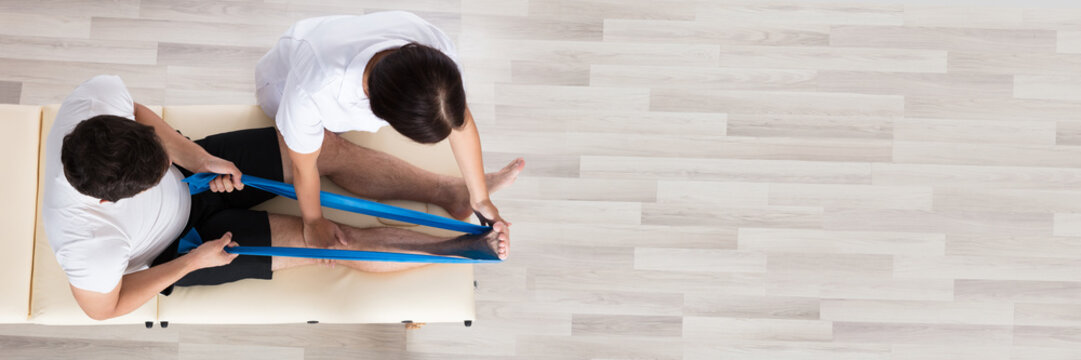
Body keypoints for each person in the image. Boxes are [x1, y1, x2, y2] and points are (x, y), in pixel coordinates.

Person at [43, 75, 508, 321]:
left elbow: (140, 112)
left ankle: (447, 191)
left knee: (320, 149)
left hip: (197, 173)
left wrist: (194, 158)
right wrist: (192, 263)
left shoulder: (93, 103)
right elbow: (103, 307)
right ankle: (462, 249)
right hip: (184, 246)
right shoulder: (85, 244)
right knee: (332, 243)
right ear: (111, 202)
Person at [255, 11, 522, 253]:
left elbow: (458, 119)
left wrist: (481, 198)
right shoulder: (312, 92)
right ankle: (451, 197)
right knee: (329, 149)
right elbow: (303, 167)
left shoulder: (434, 53)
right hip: (281, 86)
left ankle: (456, 194)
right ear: (377, 111)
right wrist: (313, 222)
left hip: (332, 53)